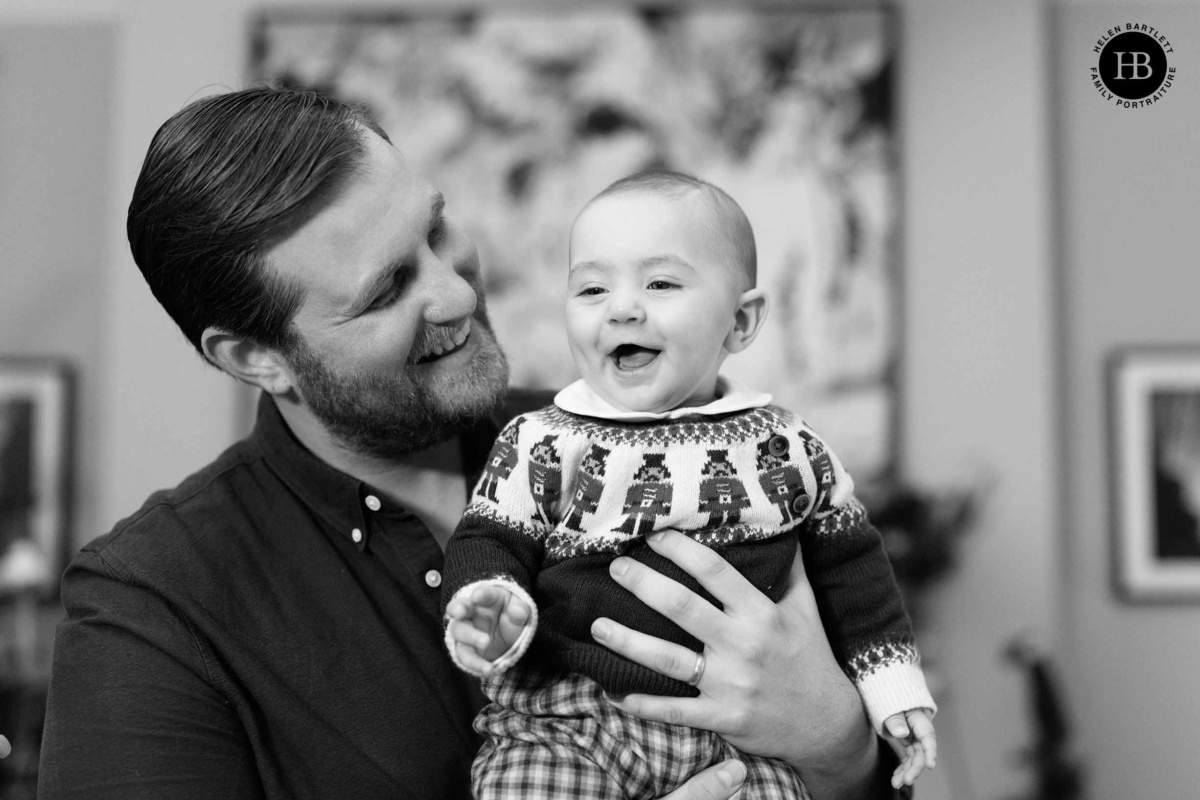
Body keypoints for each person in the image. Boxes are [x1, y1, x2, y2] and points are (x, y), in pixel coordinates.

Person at [37, 85, 908, 800]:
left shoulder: (636, 446)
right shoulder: (152, 606)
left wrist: (839, 747)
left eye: (436, 229)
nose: (454, 291)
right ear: (256, 357)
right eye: (386, 291)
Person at [442, 170, 936, 798]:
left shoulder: (785, 445)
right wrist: (492, 600)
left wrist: (891, 686)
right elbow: (491, 534)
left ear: (741, 321)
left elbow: (853, 568)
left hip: (749, 742)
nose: (621, 307)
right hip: (575, 716)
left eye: (660, 282)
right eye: (591, 288)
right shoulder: (542, 439)